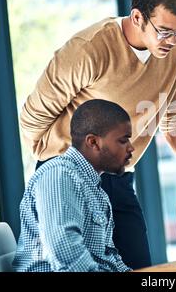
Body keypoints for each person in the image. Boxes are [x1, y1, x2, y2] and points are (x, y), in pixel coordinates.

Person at [19, 0, 176, 269]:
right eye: (164, 31)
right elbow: (32, 118)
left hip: (118, 178)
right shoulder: (89, 49)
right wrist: (59, 166)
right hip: (68, 179)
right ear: (137, 17)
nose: (171, 40)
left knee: (139, 265)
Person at [13, 99, 134, 272]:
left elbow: (108, 257)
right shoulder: (58, 175)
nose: (131, 148)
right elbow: (68, 258)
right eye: (123, 141)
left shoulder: (96, 190)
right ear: (93, 142)